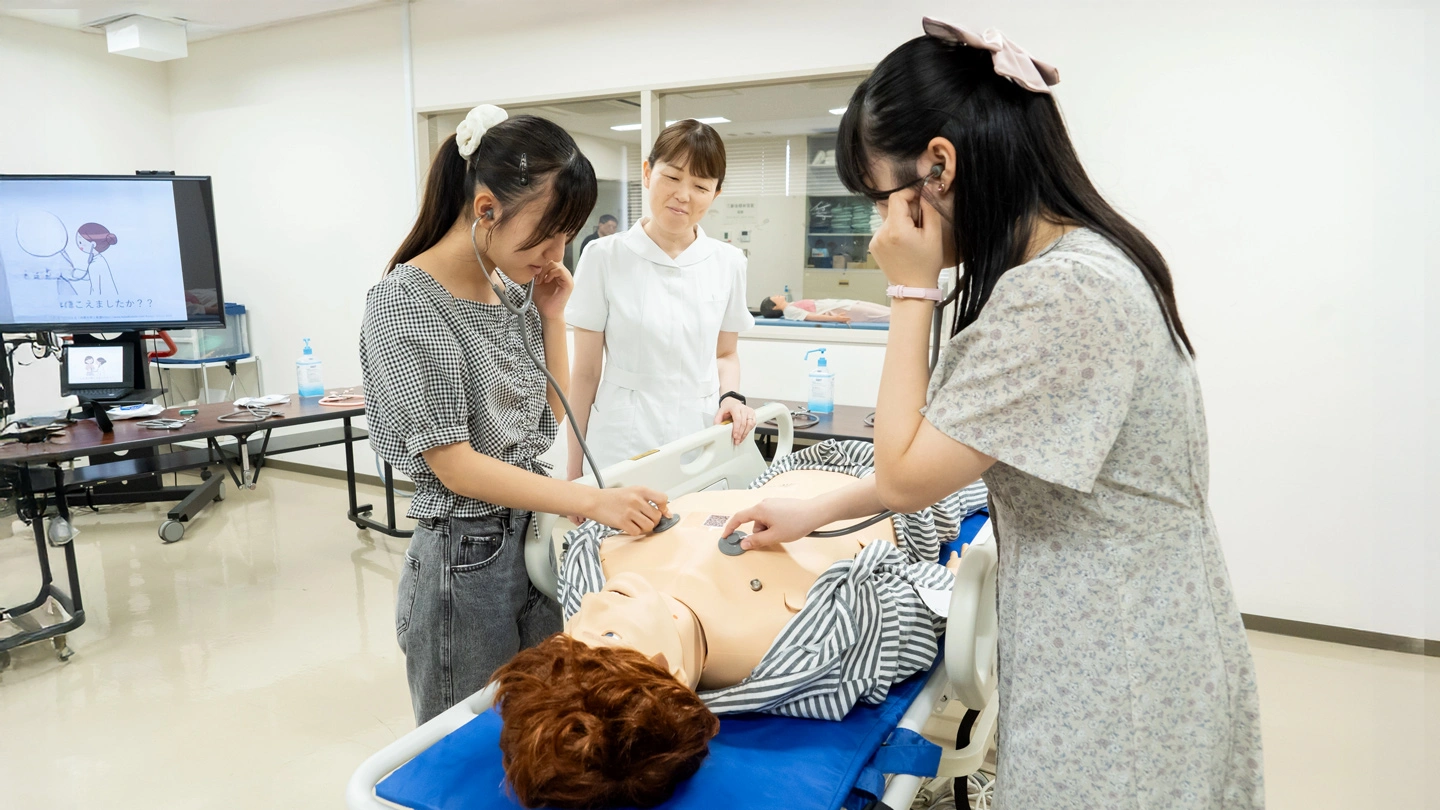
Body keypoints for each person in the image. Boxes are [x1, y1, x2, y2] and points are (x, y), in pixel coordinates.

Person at [724, 18, 1265, 810]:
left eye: (881, 201)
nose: (879, 230)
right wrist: (820, 507)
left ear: (938, 166)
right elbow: (954, 449)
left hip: (1120, 650)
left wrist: (910, 290)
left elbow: (906, 478)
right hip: (1125, 620)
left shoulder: (1061, 293)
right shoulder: (1076, 265)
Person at [361, 105, 671, 725]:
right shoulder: (405, 302)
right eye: (548, 235)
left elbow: (549, 415)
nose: (558, 253)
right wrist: (590, 501)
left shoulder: (509, 290)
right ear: (486, 209)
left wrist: (551, 316)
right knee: (463, 740)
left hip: (529, 541)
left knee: (537, 726)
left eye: (568, 237)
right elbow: (456, 467)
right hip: (462, 559)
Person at [492, 440, 985, 809]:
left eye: (570, 634)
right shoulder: (801, 646)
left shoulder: (593, 586)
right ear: (669, 676)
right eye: (609, 636)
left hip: (783, 470)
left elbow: (585, 548)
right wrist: (956, 587)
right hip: (899, 488)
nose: (592, 606)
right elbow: (919, 611)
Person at [565, 120, 757, 479]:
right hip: (620, 441)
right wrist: (575, 470)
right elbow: (586, 374)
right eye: (672, 177)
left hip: (699, 436)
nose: (683, 195)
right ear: (647, 172)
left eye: (700, 186)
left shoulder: (729, 262)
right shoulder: (604, 257)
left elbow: (725, 354)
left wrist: (731, 396)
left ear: (715, 194)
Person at [758, 293, 891, 324]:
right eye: (773, 297)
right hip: (843, 311)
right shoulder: (789, 311)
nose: (776, 295)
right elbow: (811, 317)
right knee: (887, 316)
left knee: (889, 311)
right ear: (774, 307)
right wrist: (836, 319)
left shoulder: (791, 305)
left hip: (845, 304)